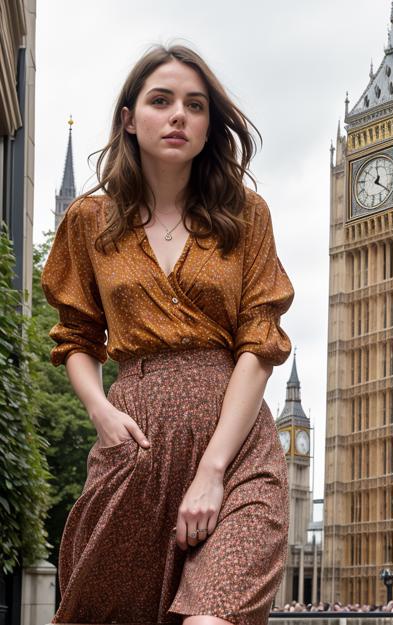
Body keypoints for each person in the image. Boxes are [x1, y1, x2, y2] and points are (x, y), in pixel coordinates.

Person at [41, 44, 295, 625]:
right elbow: (76, 336)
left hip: (237, 455)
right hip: (137, 451)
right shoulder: (90, 221)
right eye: (161, 100)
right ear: (130, 119)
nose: (179, 114)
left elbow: (259, 344)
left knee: (213, 615)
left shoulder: (245, 215)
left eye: (195, 104)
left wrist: (212, 470)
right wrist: (102, 414)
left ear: (210, 127)